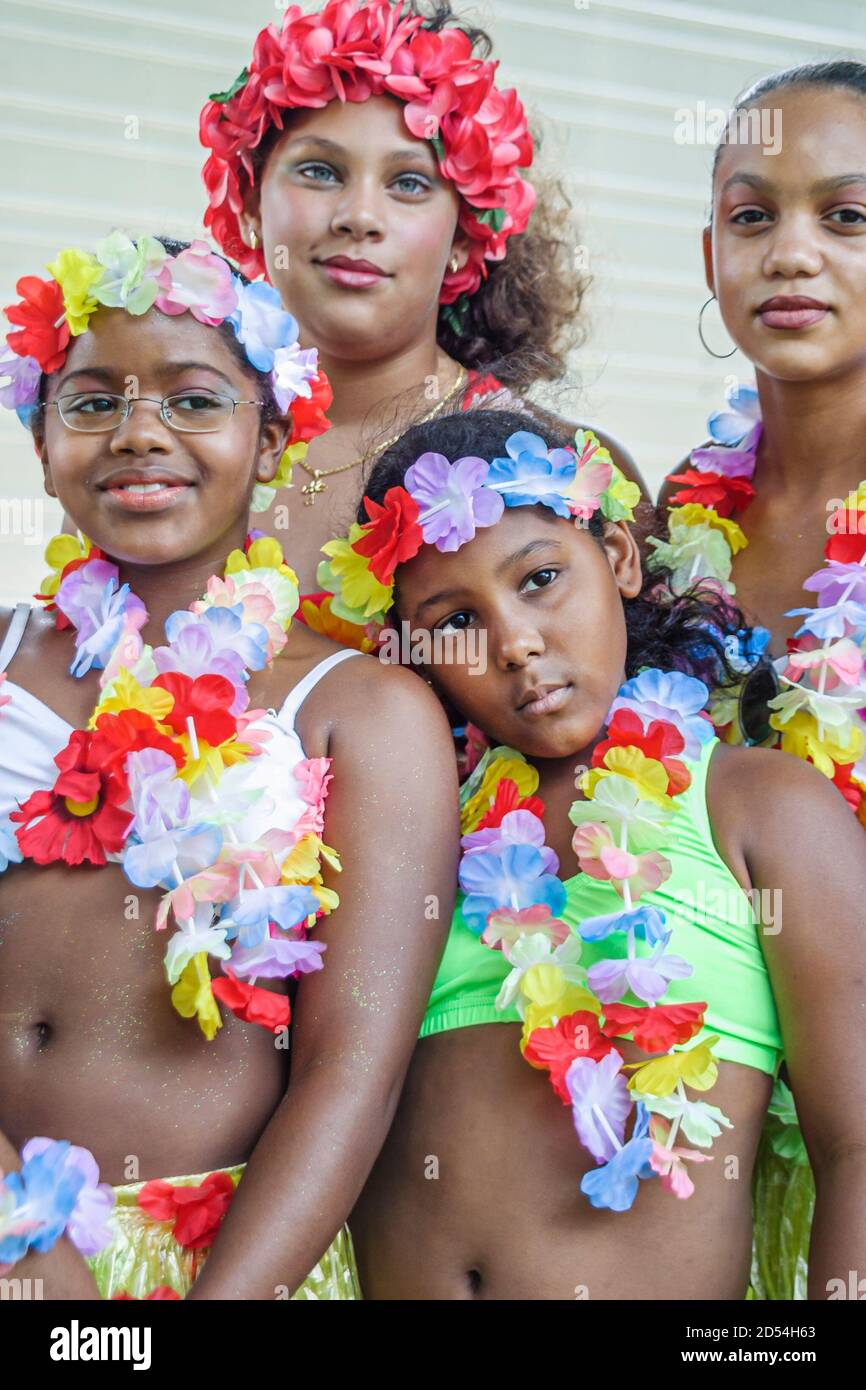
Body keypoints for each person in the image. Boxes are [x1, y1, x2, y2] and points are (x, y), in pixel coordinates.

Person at [0, 234, 458, 1299]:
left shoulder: (363, 711)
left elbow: (352, 1072)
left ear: (270, 439)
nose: (140, 432)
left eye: (194, 400)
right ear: (41, 439)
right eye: (92, 403)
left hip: (224, 1263)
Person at [322, 407, 866, 1299]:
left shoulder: (758, 806)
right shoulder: (416, 832)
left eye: (539, 578)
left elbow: (856, 1144)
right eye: (455, 620)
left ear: (617, 558)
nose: (514, 641)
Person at [198, 0, 653, 612]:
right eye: (319, 171)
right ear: (251, 204)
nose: (358, 216)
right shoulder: (175, 449)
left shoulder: (564, 467)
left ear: (466, 237)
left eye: (409, 183)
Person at [655, 61, 866, 819]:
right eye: (752, 216)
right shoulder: (681, 508)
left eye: (847, 216)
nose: (790, 256)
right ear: (710, 257)